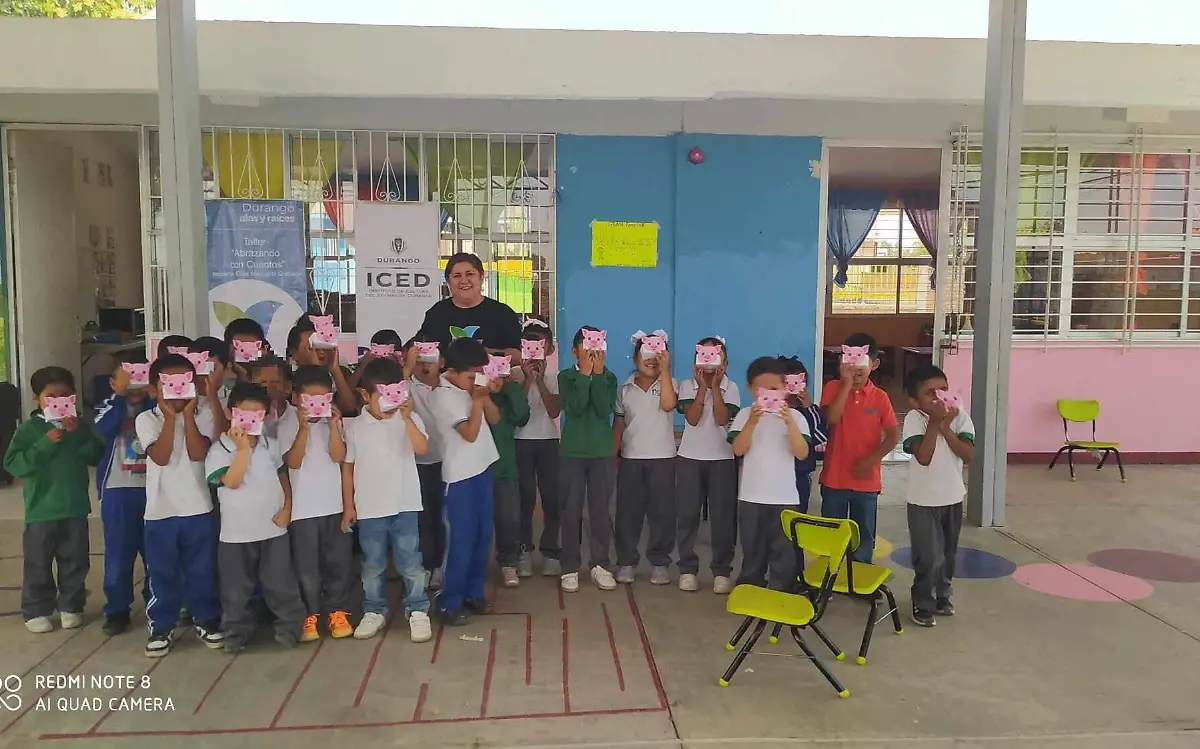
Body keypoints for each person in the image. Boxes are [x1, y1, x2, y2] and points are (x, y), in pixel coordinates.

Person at [205, 382, 307, 652]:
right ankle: (236, 631)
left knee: (280, 582)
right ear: (230, 413)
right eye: (243, 415)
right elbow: (232, 481)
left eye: (257, 416)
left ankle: (289, 626)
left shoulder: (270, 444)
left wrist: (287, 507)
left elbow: (282, 475)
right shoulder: (219, 451)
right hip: (236, 533)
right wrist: (243, 450)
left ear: (266, 416)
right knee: (236, 589)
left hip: (273, 528)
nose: (250, 423)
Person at [136, 353, 223, 657]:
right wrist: (170, 417)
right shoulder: (146, 419)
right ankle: (161, 625)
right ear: (154, 389)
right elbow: (160, 456)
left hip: (198, 508)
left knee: (202, 570)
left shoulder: (205, 415)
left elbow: (198, 454)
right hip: (160, 512)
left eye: (183, 383)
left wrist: (187, 415)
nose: (176, 390)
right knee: (161, 572)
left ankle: (206, 619)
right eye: (168, 384)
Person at [4, 366, 104, 633]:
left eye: (66, 395)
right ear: (37, 399)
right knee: (38, 562)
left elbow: (96, 455)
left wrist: (78, 434)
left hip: (75, 508)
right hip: (41, 511)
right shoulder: (29, 429)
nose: (59, 401)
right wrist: (45, 443)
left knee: (76, 560)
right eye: (51, 396)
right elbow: (14, 464)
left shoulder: (80, 426)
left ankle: (71, 606)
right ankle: (36, 609)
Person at [343, 357, 433, 643]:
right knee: (372, 563)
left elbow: (421, 448)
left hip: (405, 504)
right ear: (365, 395)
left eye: (396, 391)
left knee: (410, 561)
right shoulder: (355, 426)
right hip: (370, 508)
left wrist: (406, 418)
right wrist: (349, 506)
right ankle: (374, 610)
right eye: (382, 394)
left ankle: (418, 608)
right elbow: (347, 466)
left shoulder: (410, 419)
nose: (390, 400)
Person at [278, 365, 354, 642]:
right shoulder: (286, 423)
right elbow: (293, 462)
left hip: (334, 506)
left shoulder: (335, 422)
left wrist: (333, 427)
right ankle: (309, 614)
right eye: (310, 400)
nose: (317, 406)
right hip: (303, 511)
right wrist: (303, 428)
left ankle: (338, 611)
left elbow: (339, 456)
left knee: (339, 563)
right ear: (296, 397)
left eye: (323, 399)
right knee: (307, 569)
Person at [431, 338, 500, 624]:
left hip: (482, 469)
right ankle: (449, 601)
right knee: (460, 541)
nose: (475, 380)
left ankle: (473, 593)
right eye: (471, 376)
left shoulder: (470, 390)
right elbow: (469, 433)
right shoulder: (443, 396)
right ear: (453, 371)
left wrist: (486, 396)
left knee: (482, 538)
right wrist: (478, 399)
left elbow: (494, 419)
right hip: (459, 478)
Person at [728, 356, 811, 590]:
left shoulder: (796, 417)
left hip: (784, 497)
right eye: (761, 389)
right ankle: (750, 585)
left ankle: (781, 589)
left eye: (774, 388)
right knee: (752, 547)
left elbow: (802, 452)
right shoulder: (745, 415)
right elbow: (738, 449)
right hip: (751, 496)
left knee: (783, 549)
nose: (768, 394)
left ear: (785, 388)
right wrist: (753, 422)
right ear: (750, 389)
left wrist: (789, 423)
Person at [902, 365, 975, 627]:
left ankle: (942, 595)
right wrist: (935, 423)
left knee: (948, 554)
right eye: (930, 393)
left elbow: (967, 455)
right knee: (928, 556)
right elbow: (923, 457)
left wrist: (946, 427)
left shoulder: (960, 416)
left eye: (942, 390)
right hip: (922, 500)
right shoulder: (914, 418)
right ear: (915, 400)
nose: (939, 397)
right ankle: (922, 601)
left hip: (952, 497)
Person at [819, 333, 899, 564]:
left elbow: (893, 435)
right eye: (849, 363)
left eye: (860, 364)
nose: (854, 370)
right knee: (831, 534)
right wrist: (845, 384)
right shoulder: (833, 387)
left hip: (867, 482)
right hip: (834, 478)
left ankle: (859, 579)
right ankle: (828, 579)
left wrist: (870, 461)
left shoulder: (880, 397)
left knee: (864, 536)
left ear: (873, 364)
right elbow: (832, 419)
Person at [93, 354, 154, 635]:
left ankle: (157, 604)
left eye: (141, 375)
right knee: (118, 554)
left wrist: (151, 396)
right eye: (128, 377)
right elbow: (101, 430)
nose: (135, 383)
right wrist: (121, 399)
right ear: (113, 382)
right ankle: (117, 610)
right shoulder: (107, 406)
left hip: (153, 490)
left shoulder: (155, 407)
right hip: (118, 491)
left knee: (155, 553)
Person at [676, 336, 740, 594]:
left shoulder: (731, 387)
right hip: (691, 458)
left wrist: (715, 387)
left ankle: (722, 570)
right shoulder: (686, 385)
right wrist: (702, 387)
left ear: (724, 362)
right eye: (704, 356)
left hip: (722, 459)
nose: (710, 362)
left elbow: (722, 417)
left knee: (723, 517)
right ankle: (687, 568)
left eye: (716, 357)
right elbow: (691, 419)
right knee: (687, 515)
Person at [614, 331, 678, 586]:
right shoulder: (625, 389)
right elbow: (619, 425)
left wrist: (665, 371)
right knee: (628, 513)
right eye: (646, 354)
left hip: (663, 458)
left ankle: (660, 562)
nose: (651, 360)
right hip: (631, 458)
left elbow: (668, 404)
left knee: (662, 513)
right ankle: (627, 561)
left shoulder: (669, 382)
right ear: (635, 357)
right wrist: (613, 455)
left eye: (657, 355)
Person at [558, 326, 618, 593]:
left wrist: (598, 377)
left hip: (601, 452)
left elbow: (604, 408)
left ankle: (600, 564)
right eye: (587, 348)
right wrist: (584, 376)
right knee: (570, 510)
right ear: (575, 351)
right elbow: (575, 407)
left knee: (600, 511)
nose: (593, 353)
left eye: (598, 348)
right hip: (573, 452)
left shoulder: (610, 377)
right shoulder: (566, 377)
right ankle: (570, 566)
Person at [513, 318, 562, 578]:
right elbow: (514, 409)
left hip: (548, 441)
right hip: (520, 441)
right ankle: (523, 550)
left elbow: (554, 410)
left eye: (540, 345)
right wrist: (526, 379)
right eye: (529, 345)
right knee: (524, 498)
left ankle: (551, 550)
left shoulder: (555, 377)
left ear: (550, 348)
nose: (534, 351)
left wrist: (540, 380)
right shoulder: (513, 375)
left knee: (552, 498)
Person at [401, 334, 446, 589]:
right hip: (416, 464)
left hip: (445, 462)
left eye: (430, 357)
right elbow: (391, 394)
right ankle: (427, 566)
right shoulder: (406, 387)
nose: (424, 365)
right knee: (422, 519)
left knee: (442, 517)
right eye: (418, 359)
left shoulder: (450, 385)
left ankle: (441, 565)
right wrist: (406, 368)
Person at [485, 346, 530, 588]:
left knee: (509, 519)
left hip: (505, 469)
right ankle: (476, 564)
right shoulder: (476, 394)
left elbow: (522, 415)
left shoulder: (509, 393)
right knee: (478, 522)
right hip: (477, 471)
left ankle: (508, 563)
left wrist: (511, 385)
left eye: (501, 367)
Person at [416, 252, 523, 354]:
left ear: (481, 277)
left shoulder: (502, 313)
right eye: (457, 276)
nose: (464, 281)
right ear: (448, 281)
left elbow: (519, 355)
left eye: (470, 274)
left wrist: (485, 353)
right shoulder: (437, 313)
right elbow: (417, 347)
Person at [779, 356, 828, 514]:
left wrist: (809, 407)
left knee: (797, 517)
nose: (792, 387)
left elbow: (821, 439)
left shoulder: (809, 412)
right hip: (775, 473)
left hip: (800, 473)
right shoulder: (771, 410)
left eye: (798, 382)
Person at [287, 317, 358, 414]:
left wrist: (335, 370)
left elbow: (349, 408)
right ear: (294, 353)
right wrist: (315, 369)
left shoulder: (336, 376)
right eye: (312, 346)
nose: (320, 351)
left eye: (323, 346)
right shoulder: (288, 380)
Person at [248, 356, 290, 440]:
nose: (268, 388)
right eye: (262, 383)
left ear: (288, 386)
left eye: (275, 382)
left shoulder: (301, 419)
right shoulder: (242, 420)